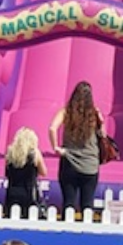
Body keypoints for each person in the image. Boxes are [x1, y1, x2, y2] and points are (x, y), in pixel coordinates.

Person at [49, 81, 104, 214]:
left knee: (68, 203)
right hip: (89, 164)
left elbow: (52, 128)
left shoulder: (66, 112)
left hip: (69, 162)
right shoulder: (94, 114)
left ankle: (66, 231)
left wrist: (56, 147)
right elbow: (102, 134)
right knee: (87, 204)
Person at [4, 126, 48, 216]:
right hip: (29, 192)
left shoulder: (10, 153)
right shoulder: (34, 153)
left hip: (12, 191)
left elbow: (7, 173)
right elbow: (44, 172)